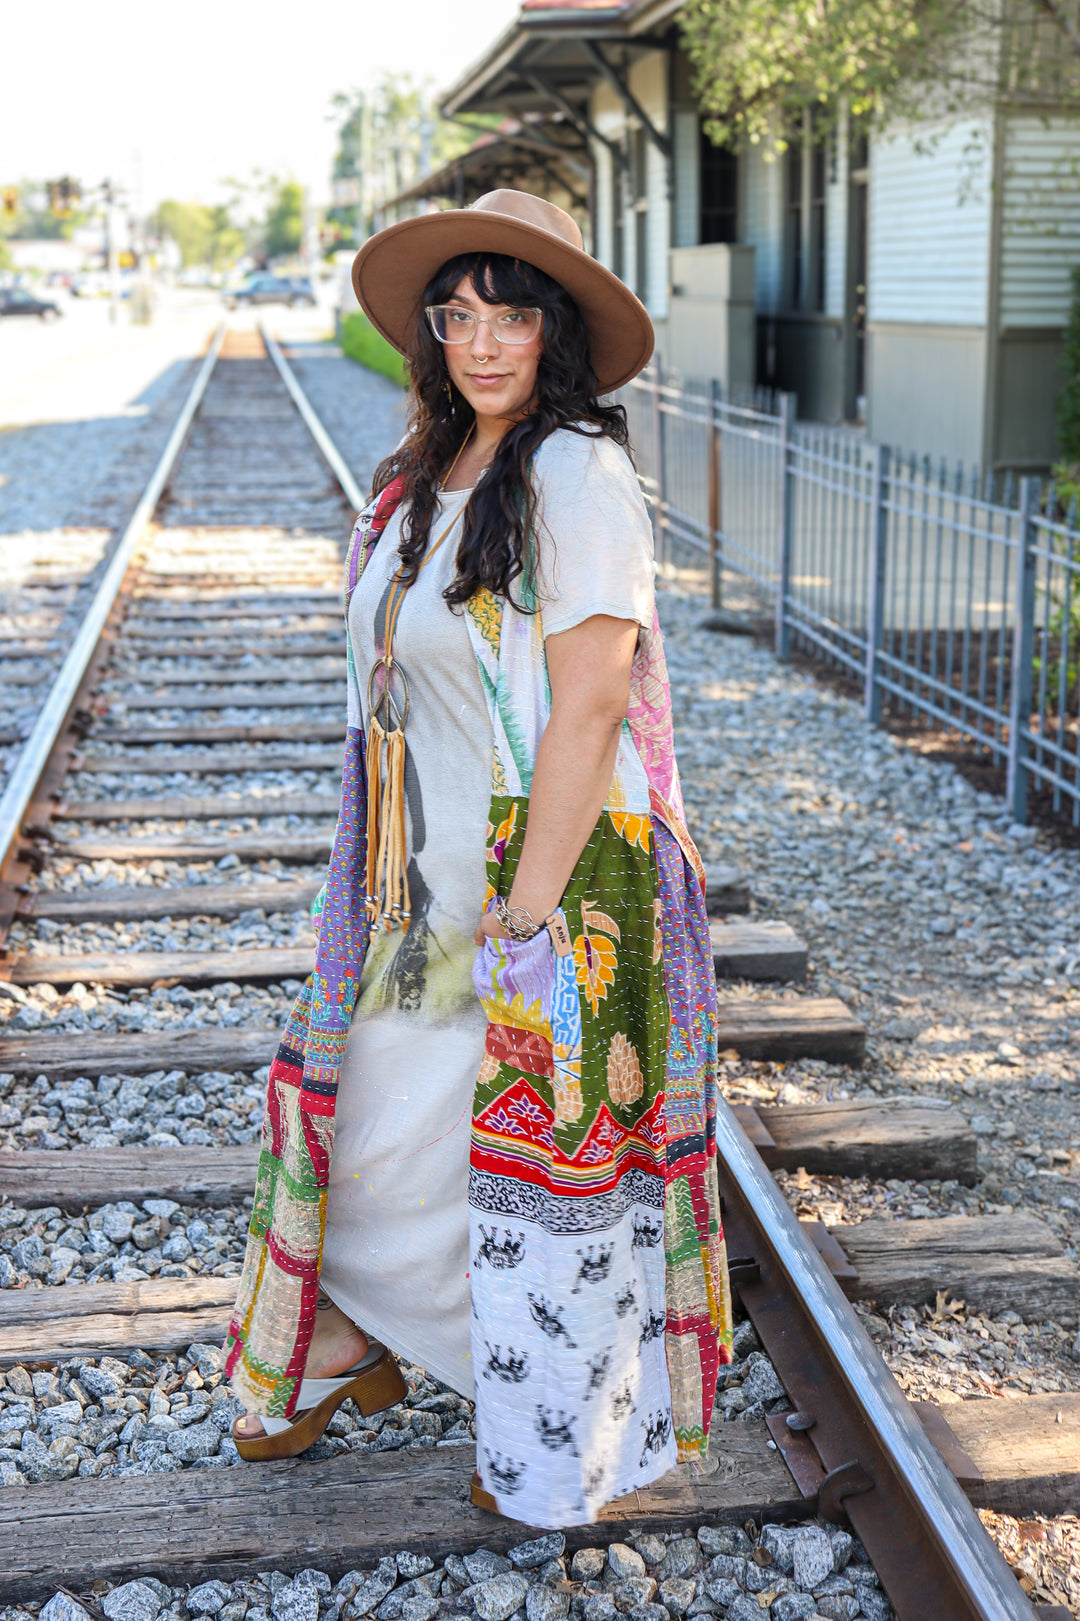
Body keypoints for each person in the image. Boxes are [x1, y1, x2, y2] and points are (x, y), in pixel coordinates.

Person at [223, 189, 731, 1529]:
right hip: (426, 876)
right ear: (433, 330)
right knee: (381, 1134)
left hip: (548, 882)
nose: (484, 338)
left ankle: (544, 1445)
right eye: (461, 312)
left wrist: (530, 902)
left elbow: (595, 699)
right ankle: (353, 1340)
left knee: (538, 1178)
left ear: (554, 329)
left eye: (513, 312)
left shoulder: (578, 470)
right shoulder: (420, 480)